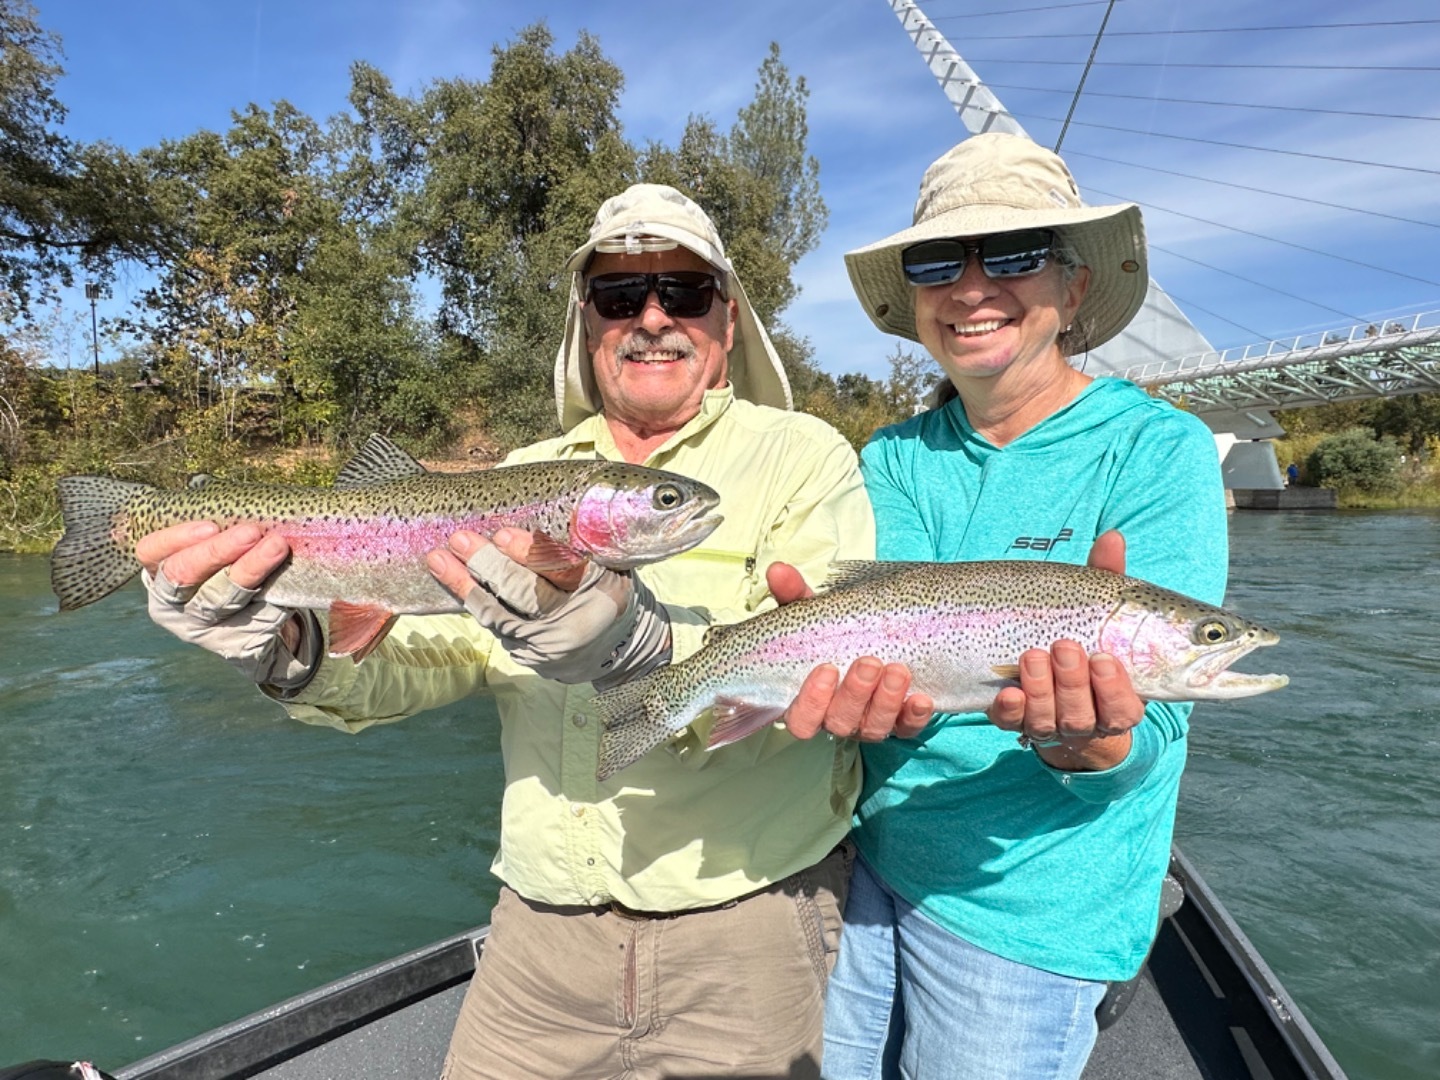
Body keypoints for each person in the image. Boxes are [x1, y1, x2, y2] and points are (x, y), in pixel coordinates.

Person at [131, 184, 911, 1079]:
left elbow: (811, 659)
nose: (652, 318)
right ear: (587, 322)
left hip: (747, 928)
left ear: (728, 323)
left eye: (683, 293)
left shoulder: (804, 456)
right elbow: (423, 661)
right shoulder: (520, 474)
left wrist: (640, 650)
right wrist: (291, 651)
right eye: (621, 297)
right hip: (536, 940)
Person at [815, 133, 1230, 1078]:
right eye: (937, 261)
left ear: (1075, 289)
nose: (971, 287)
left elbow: (1156, 728)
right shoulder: (891, 457)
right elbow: (891, 652)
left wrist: (1092, 741)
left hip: (1033, 908)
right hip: (868, 860)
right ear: (915, 298)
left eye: (1013, 255)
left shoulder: (1157, 453)